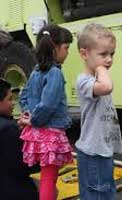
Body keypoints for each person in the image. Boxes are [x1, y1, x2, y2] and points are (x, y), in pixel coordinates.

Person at [18, 24, 74, 200]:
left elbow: (24, 96)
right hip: (50, 133)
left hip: (36, 133)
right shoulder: (55, 73)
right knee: (49, 179)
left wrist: (28, 115)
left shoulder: (35, 72)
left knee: (46, 177)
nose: (67, 52)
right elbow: (48, 105)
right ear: (54, 48)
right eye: (66, 48)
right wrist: (33, 119)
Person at [76, 23, 122, 200]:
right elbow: (107, 87)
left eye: (112, 54)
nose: (109, 59)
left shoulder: (95, 79)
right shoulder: (84, 81)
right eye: (103, 54)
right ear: (84, 54)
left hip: (103, 151)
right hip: (92, 154)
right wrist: (101, 69)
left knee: (106, 192)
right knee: (97, 193)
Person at [0, 79, 39, 200]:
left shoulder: (9, 127)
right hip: (12, 190)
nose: (13, 103)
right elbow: (26, 166)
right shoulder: (8, 129)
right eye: (9, 99)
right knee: (50, 189)